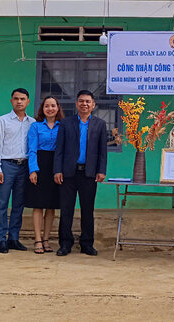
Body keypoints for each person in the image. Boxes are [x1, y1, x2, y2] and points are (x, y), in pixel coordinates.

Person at [53, 90, 108, 256]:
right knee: (66, 210)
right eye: (81, 101)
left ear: (93, 105)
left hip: (89, 174)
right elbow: (59, 149)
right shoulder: (66, 123)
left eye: (88, 102)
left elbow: (102, 151)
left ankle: (87, 244)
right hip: (68, 173)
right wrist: (57, 170)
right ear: (77, 104)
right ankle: (65, 244)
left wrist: (101, 170)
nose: (84, 104)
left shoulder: (100, 124)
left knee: (87, 210)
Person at [0, 88, 35, 254]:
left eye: (22, 99)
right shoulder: (2, 121)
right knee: (1, 203)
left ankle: (14, 238)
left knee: (19, 204)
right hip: (6, 165)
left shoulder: (32, 122)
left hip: (24, 167)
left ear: (28, 101)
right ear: (11, 101)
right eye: (16, 98)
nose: (19, 101)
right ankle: (0, 238)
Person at [25, 96, 64, 254]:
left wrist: (60, 169)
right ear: (42, 108)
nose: (50, 109)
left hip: (56, 166)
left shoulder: (63, 126)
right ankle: (37, 239)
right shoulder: (35, 126)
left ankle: (46, 239)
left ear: (58, 108)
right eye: (47, 106)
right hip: (40, 164)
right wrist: (33, 170)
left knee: (51, 205)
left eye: (53, 105)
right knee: (38, 204)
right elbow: (32, 149)